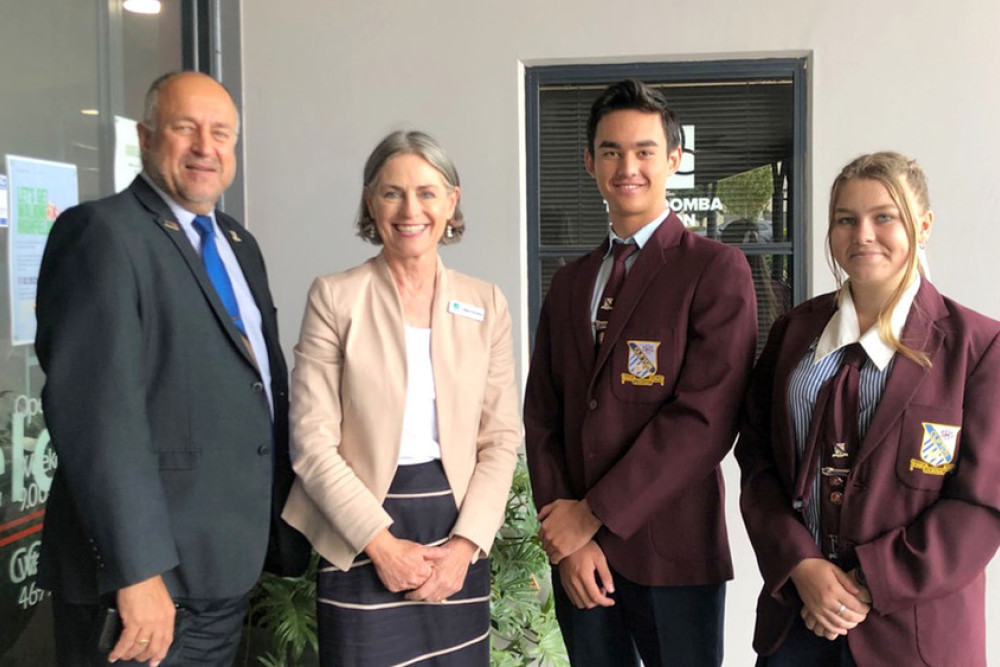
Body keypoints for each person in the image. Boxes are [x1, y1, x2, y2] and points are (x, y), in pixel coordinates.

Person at [35, 71, 308, 667]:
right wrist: (137, 572)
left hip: (220, 568)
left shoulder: (239, 244)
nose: (205, 148)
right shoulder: (102, 234)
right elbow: (96, 417)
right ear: (146, 135)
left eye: (221, 133)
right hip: (147, 586)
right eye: (186, 129)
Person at [523, 78, 758, 666]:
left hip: (673, 554)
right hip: (580, 560)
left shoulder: (716, 269)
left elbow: (705, 419)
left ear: (674, 160)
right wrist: (566, 533)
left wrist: (593, 516)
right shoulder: (572, 281)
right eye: (610, 151)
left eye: (645, 151)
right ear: (589, 162)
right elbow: (542, 414)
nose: (628, 166)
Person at [737, 151, 1000, 666]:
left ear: (922, 225)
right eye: (845, 219)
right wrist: (800, 564)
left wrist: (867, 583)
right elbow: (758, 460)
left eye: (884, 216)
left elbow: (981, 504)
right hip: (797, 618)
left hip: (911, 632)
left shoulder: (979, 347)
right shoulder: (793, 334)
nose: (863, 234)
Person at [280, 130, 520, 666]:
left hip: (456, 532)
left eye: (427, 192)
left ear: (452, 201)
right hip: (359, 531)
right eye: (392, 193)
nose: (410, 209)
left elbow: (501, 438)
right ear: (370, 201)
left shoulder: (486, 303)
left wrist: (463, 550)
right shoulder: (334, 297)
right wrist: (380, 546)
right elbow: (312, 443)